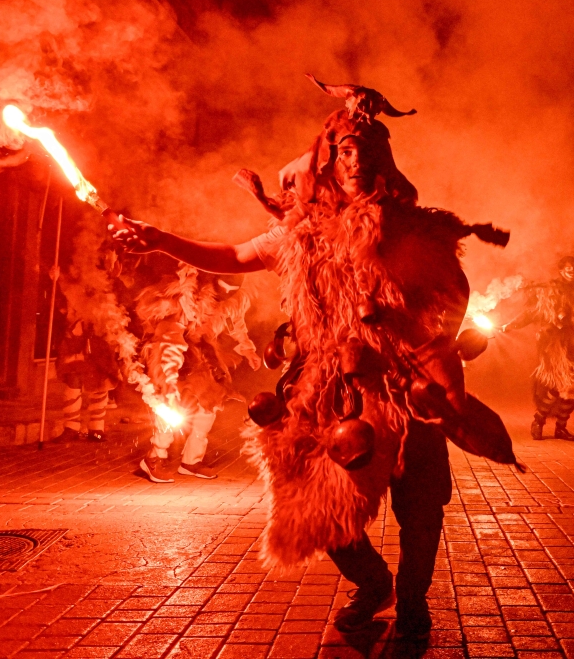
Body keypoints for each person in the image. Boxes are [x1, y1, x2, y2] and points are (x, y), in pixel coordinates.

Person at [111, 76, 516, 640]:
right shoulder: (301, 232)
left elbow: (455, 291)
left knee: (420, 506)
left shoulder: (414, 231)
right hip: (334, 388)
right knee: (314, 496)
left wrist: (422, 342)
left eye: (365, 150)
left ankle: (414, 606)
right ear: (327, 160)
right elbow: (233, 253)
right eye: (344, 150)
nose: (354, 160)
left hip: (402, 382)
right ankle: (373, 583)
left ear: (382, 160)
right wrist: (159, 238)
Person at [136, 263, 261, 483]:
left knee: (208, 403)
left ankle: (191, 461)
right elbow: (170, 339)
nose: (227, 294)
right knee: (171, 403)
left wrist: (247, 348)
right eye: (224, 288)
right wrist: (170, 380)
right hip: (169, 349)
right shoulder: (186, 299)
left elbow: (235, 321)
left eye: (233, 291)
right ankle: (154, 457)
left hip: (198, 352)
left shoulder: (230, 300)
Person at [502, 256, 574, 441]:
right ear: (561, 270)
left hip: (571, 343)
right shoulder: (550, 289)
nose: (570, 272)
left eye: (573, 269)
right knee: (557, 386)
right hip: (551, 344)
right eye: (567, 269)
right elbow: (532, 313)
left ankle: (561, 428)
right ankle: (538, 421)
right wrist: (509, 325)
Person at [53, 303, 121, 442]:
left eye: (72, 311)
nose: (68, 313)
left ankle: (96, 429)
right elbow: (64, 351)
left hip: (97, 364)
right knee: (73, 383)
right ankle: (71, 428)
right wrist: (76, 356)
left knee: (101, 386)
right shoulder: (69, 328)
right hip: (77, 366)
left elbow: (104, 347)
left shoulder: (96, 323)